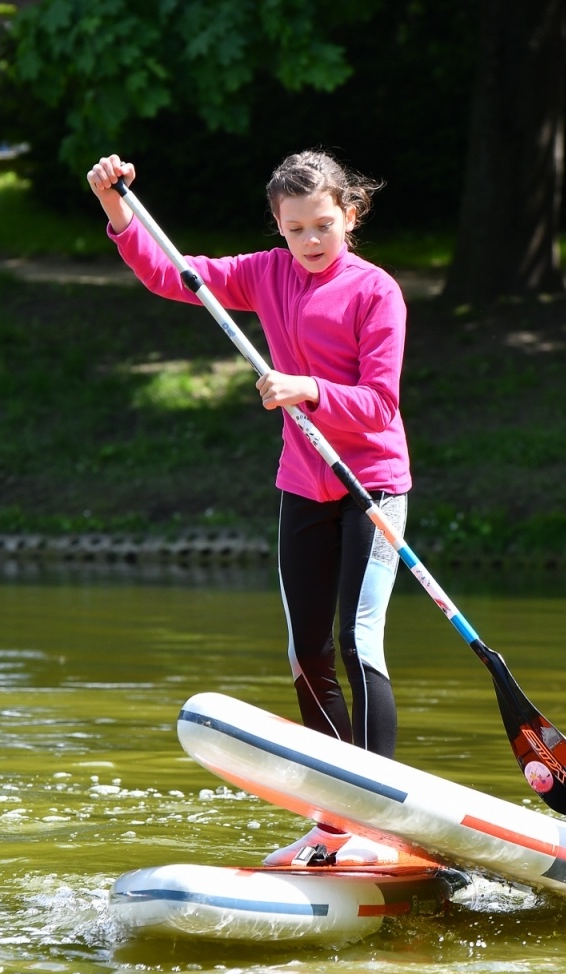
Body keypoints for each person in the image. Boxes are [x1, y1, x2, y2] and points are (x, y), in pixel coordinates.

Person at [86, 150, 414, 867]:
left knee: (360, 645)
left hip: (372, 486)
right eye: (295, 229)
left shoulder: (375, 291)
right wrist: (117, 208)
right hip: (304, 483)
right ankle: (336, 820)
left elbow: (381, 406)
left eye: (324, 225)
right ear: (278, 226)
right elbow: (173, 275)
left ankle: (382, 818)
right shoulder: (266, 273)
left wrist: (310, 390)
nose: (311, 241)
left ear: (350, 216)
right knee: (307, 654)